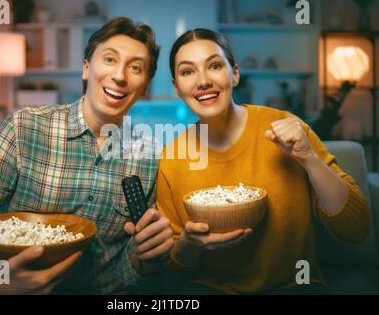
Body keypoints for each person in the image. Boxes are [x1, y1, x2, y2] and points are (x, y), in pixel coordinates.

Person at [0, 17, 173, 295]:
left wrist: (145, 258)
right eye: (109, 59)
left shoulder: (150, 156)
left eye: (135, 67)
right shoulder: (23, 127)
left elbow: (135, 265)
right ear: (85, 68)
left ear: (144, 87)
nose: (119, 75)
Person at [156, 28, 370, 294]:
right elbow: (174, 270)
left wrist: (309, 158)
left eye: (214, 66)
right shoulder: (171, 159)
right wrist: (190, 242)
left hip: (293, 285)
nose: (202, 81)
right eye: (188, 71)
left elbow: (357, 228)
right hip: (210, 289)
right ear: (177, 87)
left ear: (234, 74)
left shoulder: (286, 127)